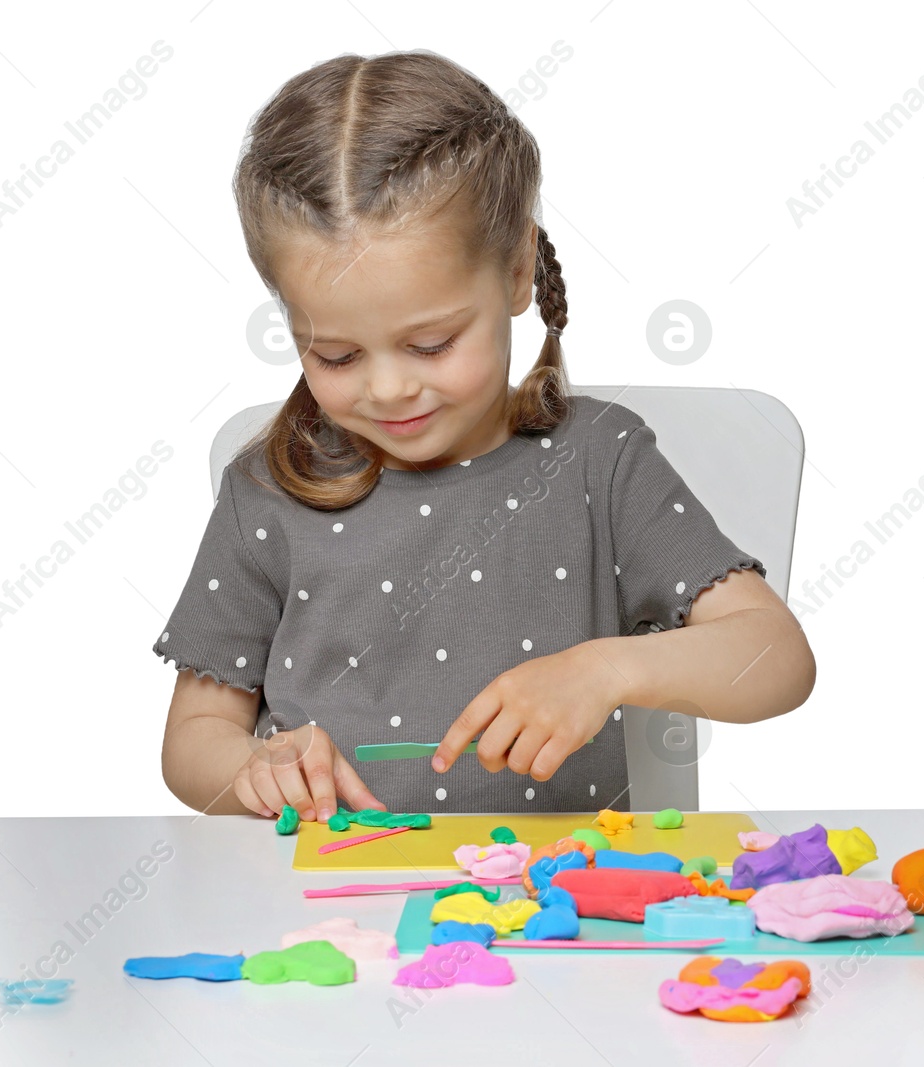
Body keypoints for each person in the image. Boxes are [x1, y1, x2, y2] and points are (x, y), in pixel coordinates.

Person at [154, 49, 814, 821]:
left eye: (430, 345)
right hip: (330, 907)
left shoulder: (600, 460)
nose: (390, 386)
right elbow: (194, 741)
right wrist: (255, 769)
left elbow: (778, 658)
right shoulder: (268, 489)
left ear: (515, 273)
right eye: (335, 354)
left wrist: (609, 670)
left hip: (562, 914)